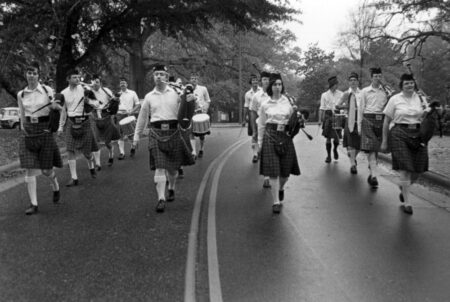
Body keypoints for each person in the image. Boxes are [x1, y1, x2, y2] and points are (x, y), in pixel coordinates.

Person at [133, 64, 195, 213]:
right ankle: (161, 199)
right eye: (156, 74)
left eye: (162, 74)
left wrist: (190, 97)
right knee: (160, 167)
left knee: (172, 169)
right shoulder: (148, 97)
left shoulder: (176, 93)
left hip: (174, 131)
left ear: (167, 78)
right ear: (153, 77)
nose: (159, 77)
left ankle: (171, 187)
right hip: (155, 132)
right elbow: (142, 119)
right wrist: (136, 137)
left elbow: (189, 108)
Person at [17, 61, 63, 215]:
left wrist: (56, 107)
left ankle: (55, 185)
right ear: (26, 74)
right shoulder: (21, 94)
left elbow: (57, 107)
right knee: (29, 168)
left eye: (34, 73)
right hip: (29, 132)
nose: (31, 75)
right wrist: (22, 127)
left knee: (45, 171)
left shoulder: (47, 90)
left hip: (44, 130)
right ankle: (34, 204)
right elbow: (22, 113)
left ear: (38, 75)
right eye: (29, 72)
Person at [380, 73, 429, 215]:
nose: (410, 85)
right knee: (405, 168)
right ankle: (407, 203)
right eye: (407, 83)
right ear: (402, 85)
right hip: (399, 133)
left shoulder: (421, 98)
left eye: (412, 83)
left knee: (418, 169)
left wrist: (430, 110)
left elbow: (426, 115)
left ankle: (404, 187)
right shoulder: (395, 99)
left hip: (418, 134)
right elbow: (386, 121)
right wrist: (384, 141)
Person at [257, 74, 301, 213]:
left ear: (282, 86)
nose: (277, 87)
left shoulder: (288, 103)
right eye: (275, 84)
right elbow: (261, 125)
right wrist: (260, 143)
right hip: (270, 135)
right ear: (271, 86)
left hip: (285, 136)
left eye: (280, 84)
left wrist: (297, 116)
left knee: (285, 173)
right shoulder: (265, 105)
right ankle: (276, 201)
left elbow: (293, 122)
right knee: (273, 171)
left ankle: (281, 188)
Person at [58, 69, 99, 186]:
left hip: (85, 122)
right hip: (71, 122)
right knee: (70, 149)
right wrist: (60, 127)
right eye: (74, 77)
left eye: (78, 77)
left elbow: (97, 104)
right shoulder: (63, 93)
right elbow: (63, 111)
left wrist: (89, 101)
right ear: (68, 79)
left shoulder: (85, 89)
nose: (77, 79)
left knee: (87, 153)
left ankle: (91, 165)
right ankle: (74, 178)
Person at [358, 67, 388, 189]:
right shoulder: (364, 91)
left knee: (376, 149)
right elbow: (361, 108)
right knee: (371, 148)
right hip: (367, 119)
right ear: (371, 78)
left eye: (379, 76)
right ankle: (374, 175)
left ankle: (372, 172)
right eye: (375, 76)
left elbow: (389, 107)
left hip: (381, 120)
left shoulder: (386, 91)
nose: (378, 78)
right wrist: (359, 125)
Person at [90, 74, 120, 169]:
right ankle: (98, 164)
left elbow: (114, 102)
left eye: (97, 82)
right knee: (96, 141)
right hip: (95, 117)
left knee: (107, 142)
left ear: (100, 83)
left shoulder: (106, 91)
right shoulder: (88, 92)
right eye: (93, 82)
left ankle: (111, 153)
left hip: (106, 117)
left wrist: (115, 100)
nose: (95, 84)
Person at [336, 72, 361, 174]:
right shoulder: (346, 94)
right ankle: (352, 165)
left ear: (358, 81)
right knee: (350, 143)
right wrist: (348, 106)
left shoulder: (362, 93)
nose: (353, 82)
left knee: (359, 145)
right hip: (349, 119)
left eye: (354, 80)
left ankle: (353, 157)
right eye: (351, 80)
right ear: (349, 82)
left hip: (359, 120)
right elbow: (337, 106)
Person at [250, 71, 272, 188]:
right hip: (261, 126)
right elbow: (253, 113)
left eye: (268, 79)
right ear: (261, 81)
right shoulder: (256, 96)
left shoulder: (275, 94)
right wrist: (254, 130)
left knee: (272, 151)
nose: (266, 81)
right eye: (264, 79)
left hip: (274, 126)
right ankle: (266, 177)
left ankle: (272, 175)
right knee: (263, 151)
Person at [319, 76, 344, 163]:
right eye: (336, 84)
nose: (337, 85)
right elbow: (322, 108)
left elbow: (344, 105)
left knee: (337, 137)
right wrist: (320, 119)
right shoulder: (324, 95)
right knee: (328, 137)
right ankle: (328, 155)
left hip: (337, 115)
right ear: (332, 85)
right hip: (328, 116)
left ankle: (335, 149)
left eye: (337, 84)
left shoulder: (341, 94)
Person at [116, 77, 140, 160]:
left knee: (132, 134)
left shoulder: (132, 93)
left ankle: (133, 148)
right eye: (121, 83)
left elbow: (138, 104)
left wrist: (132, 111)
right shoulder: (117, 94)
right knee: (120, 135)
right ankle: (122, 153)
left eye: (124, 83)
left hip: (129, 115)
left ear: (127, 84)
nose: (122, 84)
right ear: (119, 85)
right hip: (119, 115)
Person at [190, 71, 211, 158]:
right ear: (190, 80)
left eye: (195, 78)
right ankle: (194, 152)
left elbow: (208, 100)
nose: (194, 80)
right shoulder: (187, 89)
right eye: (192, 78)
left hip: (201, 113)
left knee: (201, 134)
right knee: (191, 132)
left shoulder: (203, 89)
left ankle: (201, 149)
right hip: (191, 113)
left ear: (198, 80)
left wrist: (205, 109)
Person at [244, 74, 262, 163]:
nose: (255, 81)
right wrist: (244, 118)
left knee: (262, 133)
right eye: (253, 80)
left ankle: (261, 152)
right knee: (254, 134)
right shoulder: (248, 94)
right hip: (252, 114)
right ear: (250, 82)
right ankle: (255, 154)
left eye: (256, 80)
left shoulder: (263, 91)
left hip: (262, 114)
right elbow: (246, 106)